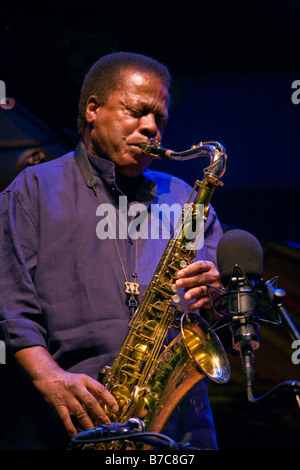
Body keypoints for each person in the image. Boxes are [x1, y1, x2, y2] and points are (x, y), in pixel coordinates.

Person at [0, 52, 224, 450]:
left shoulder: (186, 199)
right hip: (72, 423)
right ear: (93, 109)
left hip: (180, 433)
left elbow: (216, 312)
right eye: (137, 112)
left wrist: (213, 294)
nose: (151, 128)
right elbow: (10, 305)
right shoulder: (33, 190)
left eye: (160, 119)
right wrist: (47, 376)